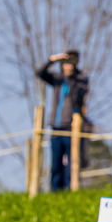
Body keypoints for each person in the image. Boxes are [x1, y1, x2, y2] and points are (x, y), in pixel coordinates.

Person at [34, 50, 89, 191]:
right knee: (56, 162)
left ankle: (70, 189)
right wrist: (52, 59)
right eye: (65, 64)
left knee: (72, 161)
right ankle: (55, 190)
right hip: (56, 127)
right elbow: (39, 73)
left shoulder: (80, 80)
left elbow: (79, 95)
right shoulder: (57, 80)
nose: (68, 67)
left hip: (71, 127)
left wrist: (72, 77)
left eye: (71, 64)